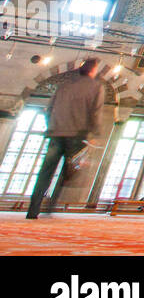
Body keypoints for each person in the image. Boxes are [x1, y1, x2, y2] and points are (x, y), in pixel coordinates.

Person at [26, 59, 105, 219]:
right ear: (93, 71)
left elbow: (49, 108)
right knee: (70, 170)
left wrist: (51, 126)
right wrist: (95, 133)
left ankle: (32, 210)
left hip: (56, 133)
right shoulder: (96, 87)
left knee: (45, 172)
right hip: (76, 135)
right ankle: (51, 205)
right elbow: (95, 112)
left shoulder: (64, 86)